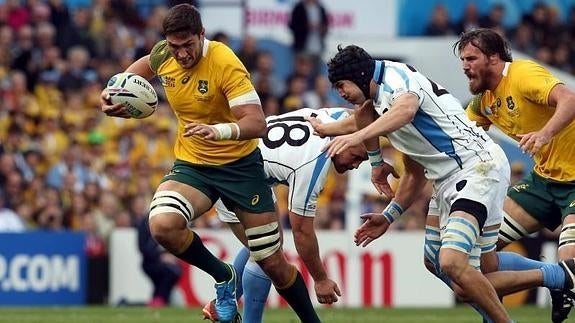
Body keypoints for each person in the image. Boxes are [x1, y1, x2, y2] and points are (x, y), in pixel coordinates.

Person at [307, 44, 575, 323]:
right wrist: (387, 212)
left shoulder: (397, 84)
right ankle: (557, 276)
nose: (340, 93)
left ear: (361, 75)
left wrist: (353, 137)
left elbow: (405, 109)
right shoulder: (383, 105)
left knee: (453, 263)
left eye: (341, 85)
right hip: (449, 178)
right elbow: (411, 171)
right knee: (452, 268)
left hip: (476, 169)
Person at [99, 4, 320, 323]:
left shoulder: (225, 62)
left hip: (240, 167)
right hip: (194, 165)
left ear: (201, 36)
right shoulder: (165, 54)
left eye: (187, 45)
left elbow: (257, 124)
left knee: (271, 262)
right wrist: (112, 93)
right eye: (174, 46)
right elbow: (144, 66)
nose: (181, 54)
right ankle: (224, 275)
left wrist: (218, 131)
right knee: (161, 225)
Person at [202, 107, 368, 322]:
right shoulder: (314, 164)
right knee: (268, 253)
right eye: (355, 157)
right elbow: (301, 232)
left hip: (242, 164)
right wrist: (320, 279)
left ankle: (223, 301)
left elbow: (355, 115)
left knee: (267, 243)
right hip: (230, 173)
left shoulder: (336, 118)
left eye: (363, 160)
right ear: (343, 142)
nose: (355, 165)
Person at [455, 28, 575, 323]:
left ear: (494, 58)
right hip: (543, 182)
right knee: (477, 259)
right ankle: (551, 279)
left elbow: (570, 99)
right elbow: (457, 137)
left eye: (471, 58)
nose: (465, 66)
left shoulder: (522, 75)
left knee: (572, 265)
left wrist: (546, 134)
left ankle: (563, 278)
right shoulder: (484, 101)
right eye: (463, 59)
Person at [137, 215, 182, 307]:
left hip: (161, 261)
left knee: (173, 273)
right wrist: (160, 256)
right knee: (170, 273)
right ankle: (160, 300)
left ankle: (159, 300)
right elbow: (144, 248)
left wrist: (170, 254)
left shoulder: (168, 221)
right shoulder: (145, 222)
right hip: (150, 262)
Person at [288, 0, 329, 78]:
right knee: (300, 75)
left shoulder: (320, 8)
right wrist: (306, 26)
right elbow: (292, 25)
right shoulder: (299, 7)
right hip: (302, 48)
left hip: (317, 49)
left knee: (316, 76)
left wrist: (321, 28)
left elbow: (326, 26)